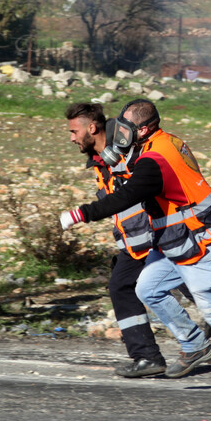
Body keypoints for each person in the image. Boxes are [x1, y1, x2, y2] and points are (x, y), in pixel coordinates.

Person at [60, 99, 211, 394]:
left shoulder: (155, 159)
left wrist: (81, 213)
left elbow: (129, 195)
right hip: (181, 242)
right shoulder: (161, 144)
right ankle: (194, 345)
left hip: (205, 240)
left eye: (125, 128)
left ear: (144, 129)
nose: (118, 132)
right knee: (148, 288)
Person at [65, 103, 166, 377]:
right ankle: (147, 357)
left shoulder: (127, 152)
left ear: (92, 128)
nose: (72, 138)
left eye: (75, 131)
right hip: (135, 243)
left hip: (162, 237)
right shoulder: (101, 162)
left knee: (200, 293)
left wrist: (81, 214)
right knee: (121, 287)